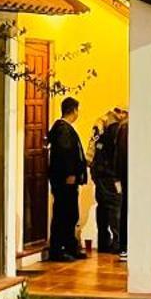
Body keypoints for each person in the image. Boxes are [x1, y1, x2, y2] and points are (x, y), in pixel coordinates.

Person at [46, 96, 88, 261]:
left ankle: (70, 246)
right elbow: (66, 153)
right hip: (65, 181)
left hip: (68, 180)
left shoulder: (65, 129)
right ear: (74, 110)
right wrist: (70, 174)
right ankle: (59, 248)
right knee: (63, 213)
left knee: (71, 213)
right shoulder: (63, 129)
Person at [92, 108, 129, 255]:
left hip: (99, 173)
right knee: (116, 206)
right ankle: (117, 242)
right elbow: (118, 155)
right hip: (110, 175)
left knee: (102, 207)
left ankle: (103, 242)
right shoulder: (118, 129)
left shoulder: (103, 128)